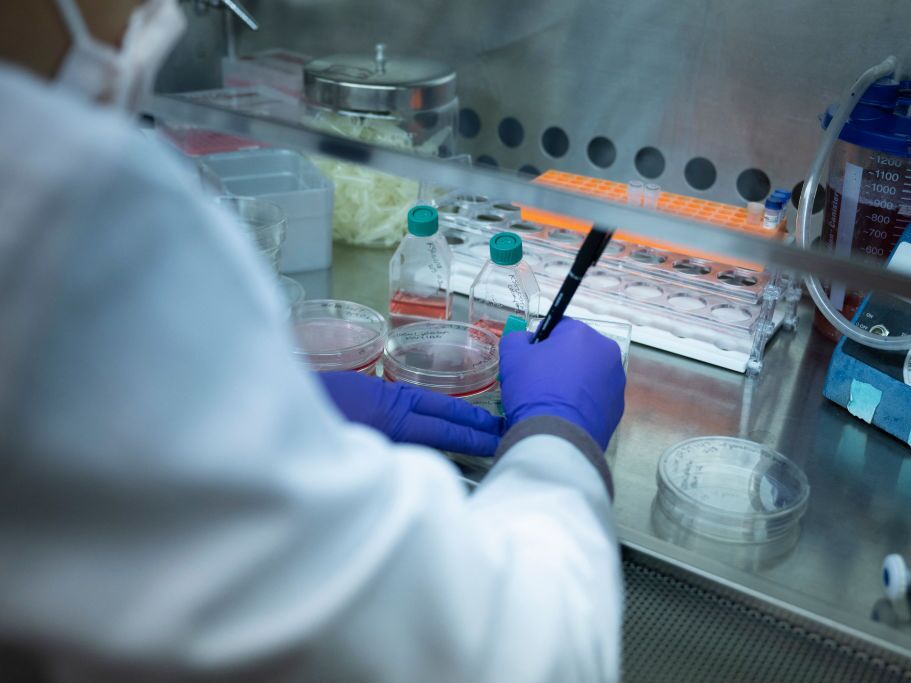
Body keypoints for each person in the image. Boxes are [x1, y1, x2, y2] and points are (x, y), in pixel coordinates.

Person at [0, 1, 627, 681]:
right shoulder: (61, 211)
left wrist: (245, 403)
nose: (154, 13)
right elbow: (515, 651)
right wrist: (557, 439)